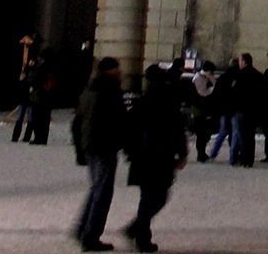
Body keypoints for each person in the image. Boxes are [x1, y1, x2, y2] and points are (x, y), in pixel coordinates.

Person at [123, 64, 188, 253]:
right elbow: (177, 129)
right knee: (158, 197)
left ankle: (139, 233)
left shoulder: (143, 102)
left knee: (149, 197)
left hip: (143, 157)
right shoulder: (167, 101)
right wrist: (182, 153)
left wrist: (130, 152)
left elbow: (129, 130)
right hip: (160, 156)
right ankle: (138, 233)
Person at [71, 57, 127, 252]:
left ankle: (81, 229)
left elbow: (77, 122)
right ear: (110, 71)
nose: (120, 72)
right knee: (102, 193)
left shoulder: (89, 89)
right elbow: (120, 120)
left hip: (90, 146)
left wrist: (80, 148)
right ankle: (90, 236)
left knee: (96, 189)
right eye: (117, 69)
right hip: (104, 147)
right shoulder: (110, 91)